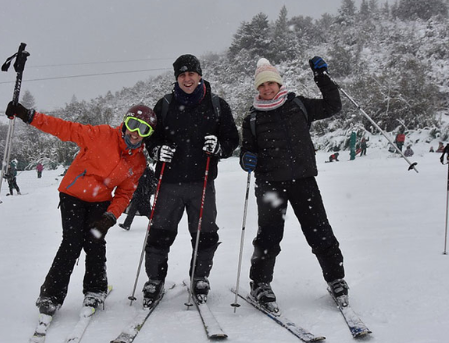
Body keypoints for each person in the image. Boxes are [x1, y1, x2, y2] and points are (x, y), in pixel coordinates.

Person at [5, 101, 155, 316]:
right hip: (72, 195)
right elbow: (64, 128)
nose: (135, 133)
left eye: (143, 129)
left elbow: (124, 193)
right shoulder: (102, 134)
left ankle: (95, 288)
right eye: (133, 124)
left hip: (100, 201)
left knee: (95, 241)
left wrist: (110, 217)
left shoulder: (138, 161)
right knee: (72, 242)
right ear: (125, 122)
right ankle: (51, 294)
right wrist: (28, 115)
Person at [239, 56, 349, 311]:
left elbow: (333, 105)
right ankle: (260, 284)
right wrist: (247, 159)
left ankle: (336, 279)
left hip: (303, 180)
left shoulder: (298, 105)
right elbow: (246, 151)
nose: (267, 89)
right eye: (262, 86)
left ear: (278, 83)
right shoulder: (253, 118)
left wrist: (322, 77)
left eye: (271, 84)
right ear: (257, 89)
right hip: (270, 184)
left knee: (319, 230)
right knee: (268, 236)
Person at [142, 54, 239, 306]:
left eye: (191, 74)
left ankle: (200, 277)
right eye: (182, 75)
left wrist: (220, 147)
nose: (187, 79)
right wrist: (156, 150)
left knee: (204, 234)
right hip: (169, 183)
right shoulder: (163, 105)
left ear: (199, 75)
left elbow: (232, 140)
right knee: (160, 233)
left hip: (202, 182)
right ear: (177, 77)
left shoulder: (217, 105)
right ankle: (155, 279)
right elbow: (149, 137)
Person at [118, 165, 156, 231]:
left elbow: (149, 182)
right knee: (133, 209)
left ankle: (155, 223)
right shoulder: (141, 170)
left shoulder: (147, 171)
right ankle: (126, 225)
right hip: (139, 193)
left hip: (143, 194)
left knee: (146, 210)